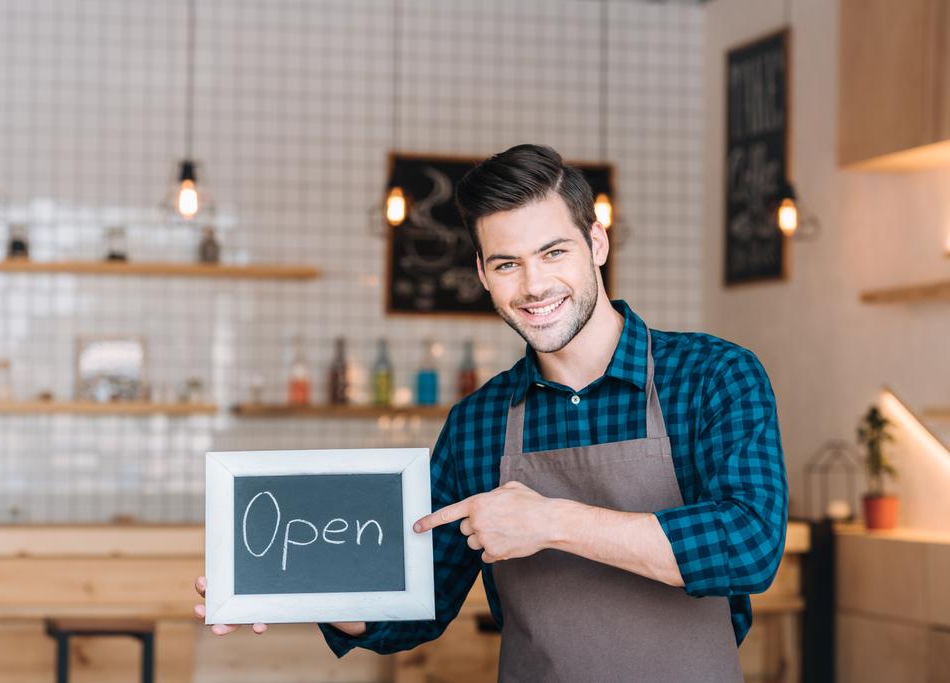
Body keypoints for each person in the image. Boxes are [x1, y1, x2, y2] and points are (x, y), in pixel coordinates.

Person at [195, 144, 788, 682]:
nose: (534, 285)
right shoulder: (477, 425)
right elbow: (416, 604)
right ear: (482, 274)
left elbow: (749, 544)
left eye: (553, 252)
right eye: (507, 264)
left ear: (597, 244)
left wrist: (551, 522)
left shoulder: (714, 376)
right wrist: (287, 588)